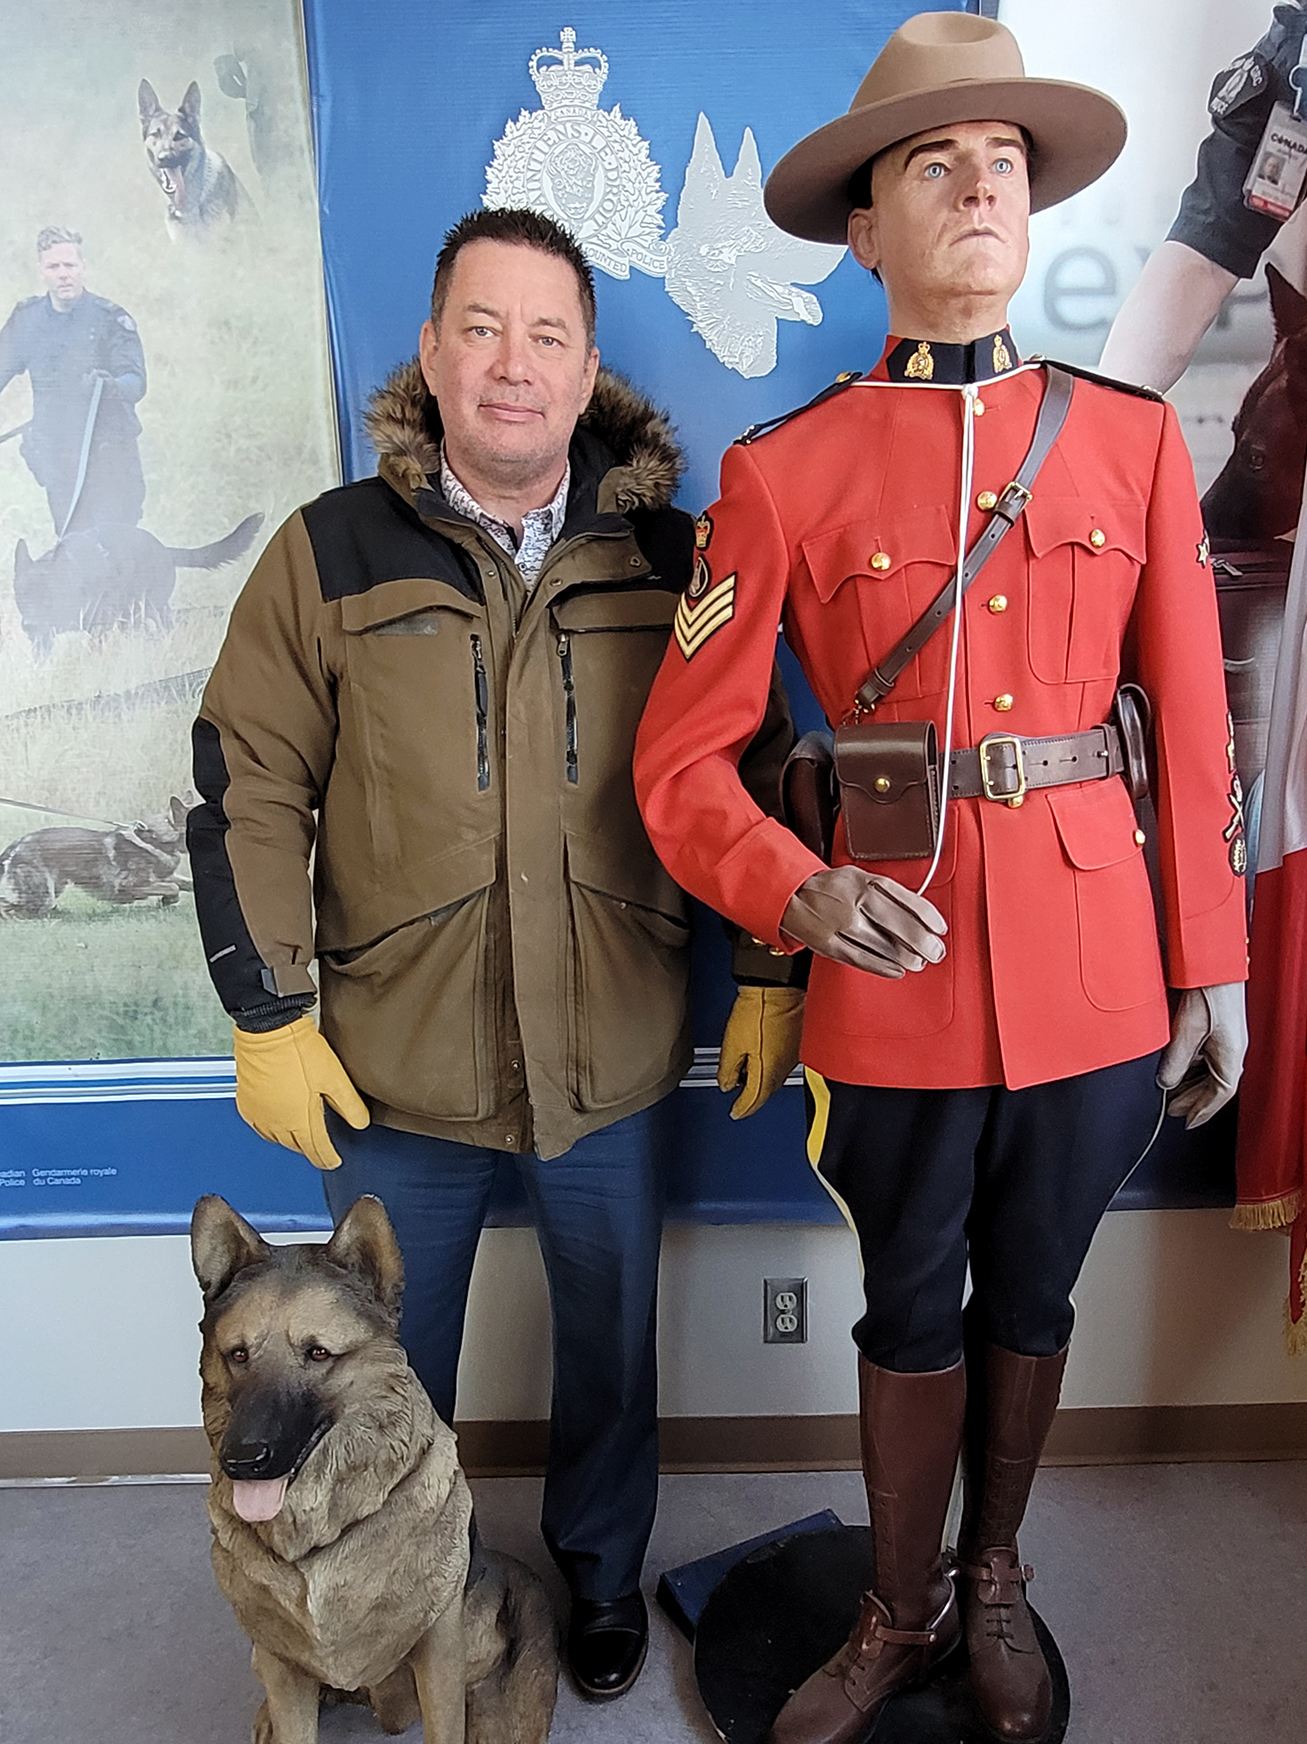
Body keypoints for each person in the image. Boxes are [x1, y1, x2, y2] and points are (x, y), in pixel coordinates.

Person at [633, 15, 1249, 1743]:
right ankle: (894, 1607)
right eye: (933, 164)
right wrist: (796, 889)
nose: (980, 187)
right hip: (885, 963)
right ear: (865, 231)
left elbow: (1194, 739)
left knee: (1036, 1288)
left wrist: (1215, 966)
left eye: (1004, 165)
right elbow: (680, 763)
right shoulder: (778, 472)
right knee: (906, 1295)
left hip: (1092, 963)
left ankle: (996, 1580)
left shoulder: (1123, 442)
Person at [187, 206, 801, 1702]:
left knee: (610, 1343)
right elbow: (247, 777)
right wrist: (268, 1009)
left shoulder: (674, 555)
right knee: (379, 1376)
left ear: (588, 367)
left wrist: (774, 965)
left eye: (544, 335)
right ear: (430, 353)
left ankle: (598, 1579)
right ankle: (379, 1604)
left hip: (612, 1044)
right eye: (481, 328)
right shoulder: (326, 551)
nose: (510, 366)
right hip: (393, 1069)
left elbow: (754, 761)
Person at [1101, 1, 1307, 390]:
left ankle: (1102, 423)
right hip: (1296, 74)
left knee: (1203, 258)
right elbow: (1203, 259)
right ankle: (1103, 422)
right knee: (1204, 256)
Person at [0, 227, 146, 535]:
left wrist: (110, 386)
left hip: (110, 457)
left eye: (69, 265)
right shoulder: (27, 320)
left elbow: (137, 383)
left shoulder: (109, 319)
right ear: (41, 271)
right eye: (54, 267)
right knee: (72, 549)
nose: (63, 274)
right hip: (59, 460)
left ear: (83, 267)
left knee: (113, 547)